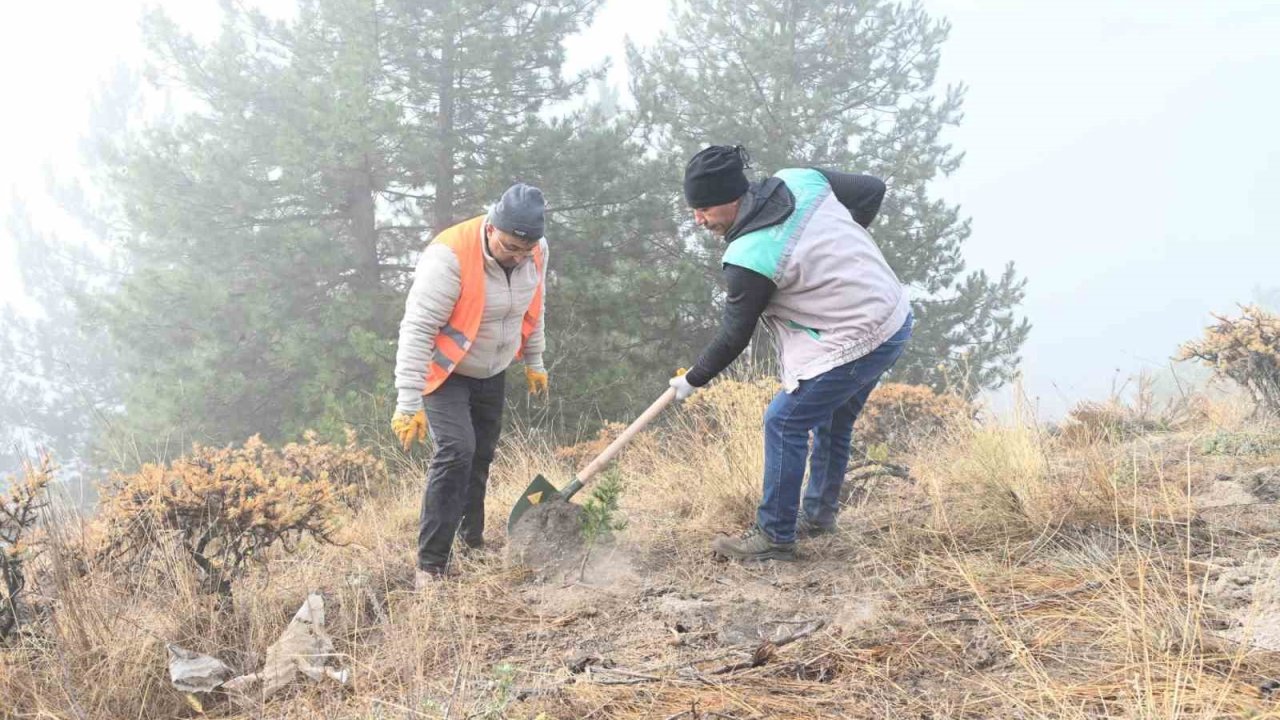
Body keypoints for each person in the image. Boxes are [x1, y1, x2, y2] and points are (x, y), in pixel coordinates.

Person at [669, 145, 912, 562]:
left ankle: (774, 537)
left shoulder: (749, 257)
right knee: (833, 419)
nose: (698, 219)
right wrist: (839, 255)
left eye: (704, 208)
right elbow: (870, 189)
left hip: (856, 333)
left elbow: (734, 335)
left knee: (784, 421)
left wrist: (693, 378)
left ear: (731, 198)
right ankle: (817, 515)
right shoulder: (801, 180)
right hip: (892, 315)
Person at [391, 183, 550, 587]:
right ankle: (430, 565)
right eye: (510, 247)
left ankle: (471, 541)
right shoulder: (450, 257)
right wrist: (408, 402)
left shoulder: (536, 252)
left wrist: (535, 361)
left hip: (491, 370)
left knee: (481, 455)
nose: (517, 257)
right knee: (457, 452)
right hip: (445, 374)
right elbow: (417, 328)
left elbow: (535, 305)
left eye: (524, 251)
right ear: (493, 228)